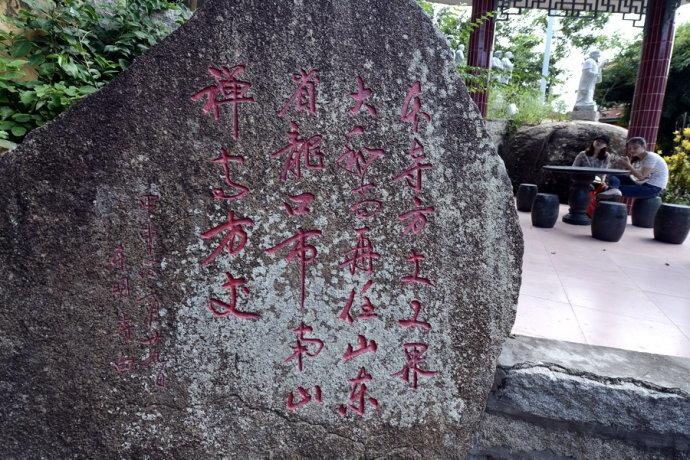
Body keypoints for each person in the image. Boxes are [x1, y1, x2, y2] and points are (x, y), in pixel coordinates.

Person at [598, 137, 669, 199]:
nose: (631, 150)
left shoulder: (651, 157)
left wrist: (628, 165)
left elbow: (641, 177)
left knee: (608, 190)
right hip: (642, 183)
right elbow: (634, 174)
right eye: (629, 149)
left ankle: (613, 190)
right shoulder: (639, 158)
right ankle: (613, 189)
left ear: (644, 147)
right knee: (613, 175)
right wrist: (626, 166)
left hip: (652, 188)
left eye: (635, 148)